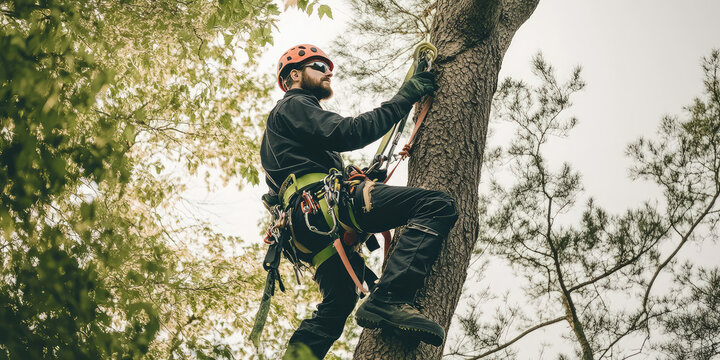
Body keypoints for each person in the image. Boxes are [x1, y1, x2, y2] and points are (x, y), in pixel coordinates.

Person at [260, 44, 458, 359]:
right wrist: (405, 97)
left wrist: (365, 176)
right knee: (437, 206)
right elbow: (350, 132)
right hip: (323, 210)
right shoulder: (294, 105)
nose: (328, 72)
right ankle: (389, 298)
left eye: (328, 68)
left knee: (337, 305)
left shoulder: (287, 132)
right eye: (318, 66)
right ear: (293, 75)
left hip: (310, 227)